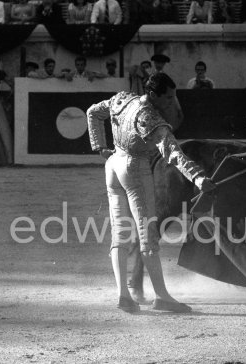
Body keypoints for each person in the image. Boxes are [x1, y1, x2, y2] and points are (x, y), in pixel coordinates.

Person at [86, 73, 216, 313]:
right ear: (154, 94)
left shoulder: (122, 100)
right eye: (168, 97)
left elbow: (93, 112)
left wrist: (100, 147)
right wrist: (197, 177)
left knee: (120, 234)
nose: (171, 101)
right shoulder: (151, 118)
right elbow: (174, 154)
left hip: (113, 166)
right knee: (148, 234)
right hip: (135, 169)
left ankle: (124, 295)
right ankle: (162, 296)